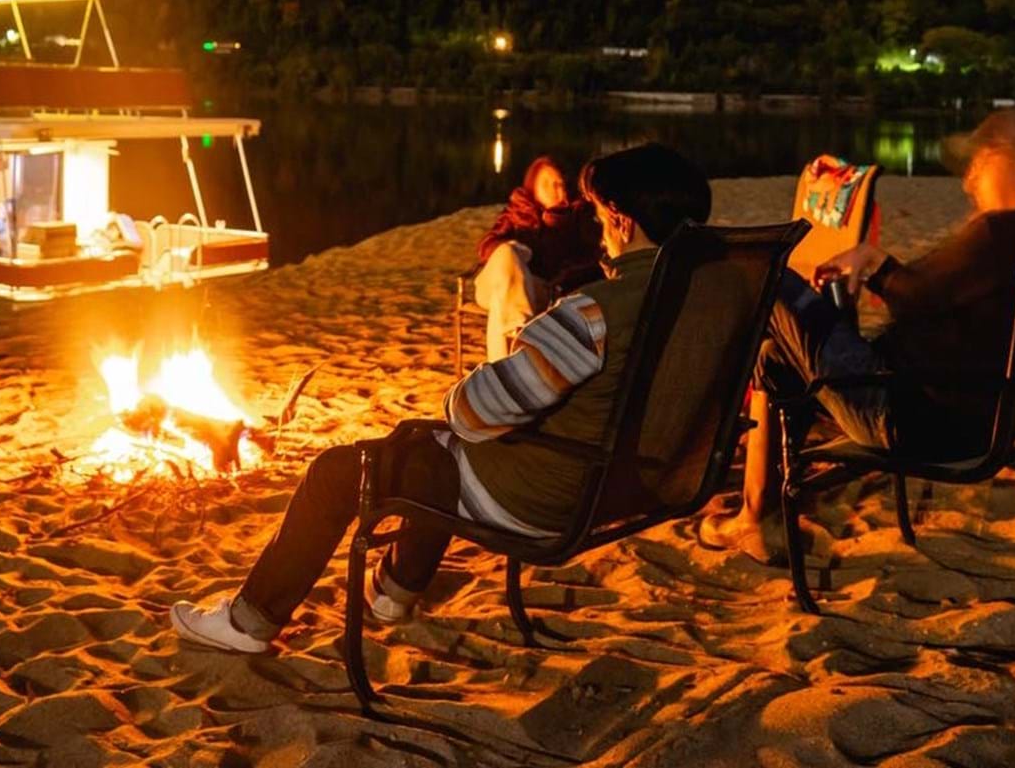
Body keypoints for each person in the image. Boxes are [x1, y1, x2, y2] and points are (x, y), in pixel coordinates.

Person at [170, 144, 712, 652]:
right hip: (637, 486)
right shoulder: (707, 301)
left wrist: (479, 385)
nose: (595, 229)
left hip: (546, 497)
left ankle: (249, 622)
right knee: (431, 451)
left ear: (621, 220)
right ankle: (394, 590)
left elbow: (476, 410)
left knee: (339, 471)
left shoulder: (596, 311)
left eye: (596, 214)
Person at [701, 107, 1015, 562]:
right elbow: (933, 295)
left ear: (1014, 164)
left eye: (980, 163)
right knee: (776, 353)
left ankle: (722, 449)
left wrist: (873, 263)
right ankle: (759, 514)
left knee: (771, 276)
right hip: (983, 412)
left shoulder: (1000, 233)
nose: (969, 180)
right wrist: (874, 269)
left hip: (910, 414)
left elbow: (915, 296)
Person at [472, 155, 605, 363]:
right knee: (507, 253)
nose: (556, 190)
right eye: (547, 184)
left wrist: (564, 273)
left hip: (537, 288)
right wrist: (514, 253)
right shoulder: (516, 211)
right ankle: (520, 334)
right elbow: (486, 245)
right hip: (493, 282)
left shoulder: (576, 216)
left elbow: (591, 257)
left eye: (559, 184)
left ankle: (504, 362)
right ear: (533, 187)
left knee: (503, 302)